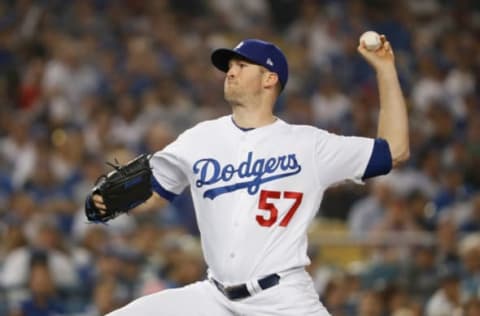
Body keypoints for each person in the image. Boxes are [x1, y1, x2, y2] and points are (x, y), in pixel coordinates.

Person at [88, 36, 409, 315]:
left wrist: (384, 69)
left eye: (242, 65)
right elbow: (154, 193)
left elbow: (394, 150)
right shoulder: (200, 138)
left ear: (269, 78)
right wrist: (108, 201)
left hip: (282, 298)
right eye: (230, 65)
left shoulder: (308, 145)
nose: (231, 70)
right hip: (213, 297)